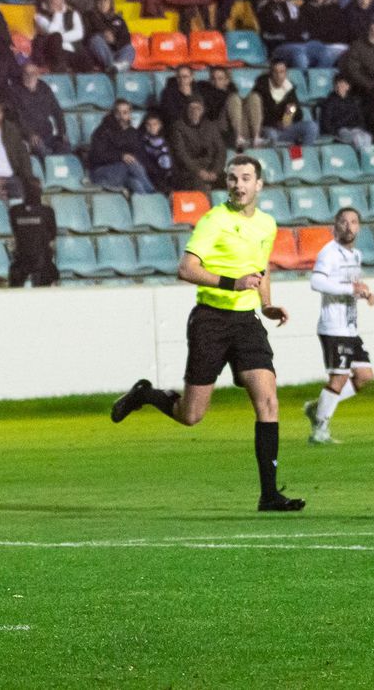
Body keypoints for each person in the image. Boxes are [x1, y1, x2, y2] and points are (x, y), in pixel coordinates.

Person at [111, 156, 304, 513]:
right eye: (232, 178)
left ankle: (269, 494)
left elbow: (260, 270)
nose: (238, 184)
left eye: (246, 178)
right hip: (210, 320)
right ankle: (147, 395)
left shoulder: (266, 224)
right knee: (191, 415)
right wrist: (233, 284)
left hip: (246, 321)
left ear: (259, 184)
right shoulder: (214, 220)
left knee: (268, 400)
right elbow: (186, 268)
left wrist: (266, 304)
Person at [303, 207, 374, 447]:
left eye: (354, 222)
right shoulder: (329, 252)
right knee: (339, 378)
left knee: (365, 376)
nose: (349, 226)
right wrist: (350, 290)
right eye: (343, 222)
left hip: (349, 327)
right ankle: (319, 430)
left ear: (359, 227)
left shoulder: (355, 255)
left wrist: (363, 292)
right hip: (333, 326)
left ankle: (318, 407)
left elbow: (350, 285)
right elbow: (316, 281)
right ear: (335, 226)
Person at [87, 100, 155, 194]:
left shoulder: (133, 133)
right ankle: (153, 192)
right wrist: (121, 156)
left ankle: (150, 205)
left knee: (136, 184)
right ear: (113, 113)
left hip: (123, 174)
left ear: (130, 114)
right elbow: (97, 155)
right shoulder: (103, 131)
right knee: (129, 163)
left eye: (125, 113)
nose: (121, 117)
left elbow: (140, 155)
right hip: (100, 174)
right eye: (118, 113)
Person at [8, 181, 58, 288]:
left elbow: (15, 230)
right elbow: (53, 234)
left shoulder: (14, 211)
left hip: (22, 258)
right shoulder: (47, 211)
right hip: (41, 258)